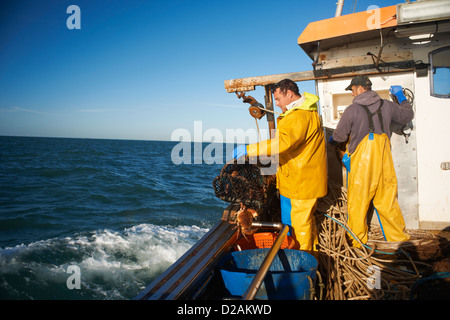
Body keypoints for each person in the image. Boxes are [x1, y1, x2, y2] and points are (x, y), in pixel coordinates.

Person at [232, 79, 327, 252]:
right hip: (300, 179)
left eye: (278, 99)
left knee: (301, 227)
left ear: (289, 94)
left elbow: (282, 142)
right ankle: (310, 256)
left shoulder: (299, 115)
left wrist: (249, 149)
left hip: (302, 182)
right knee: (304, 223)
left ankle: (303, 262)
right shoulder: (306, 112)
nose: (276, 104)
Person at [329, 75, 413, 247]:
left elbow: (339, 136)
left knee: (358, 202)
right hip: (384, 158)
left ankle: (357, 242)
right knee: (388, 199)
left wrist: (333, 140)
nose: (352, 94)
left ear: (360, 88)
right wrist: (401, 97)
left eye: (352, 90)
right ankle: (399, 240)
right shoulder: (388, 105)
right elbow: (407, 115)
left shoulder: (352, 110)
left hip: (363, 163)